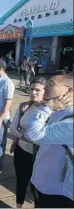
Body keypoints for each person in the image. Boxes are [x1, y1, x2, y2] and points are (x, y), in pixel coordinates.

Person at [22, 74, 74, 208]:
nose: (45, 88)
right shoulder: (59, 110)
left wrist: (47, 107)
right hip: (42, 182)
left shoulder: (71, 122)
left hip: (57, 191)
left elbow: (33, 134)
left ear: (69, 92)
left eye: (51, 84)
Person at [9, 77, 47, 208]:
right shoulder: (23, 107)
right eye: (32, 89)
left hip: (40, 156)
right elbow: (12, 128)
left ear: (45, 92)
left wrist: (26, 134)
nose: (34, 92)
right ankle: (18, 206)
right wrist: (25, 137)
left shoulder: (49, 111)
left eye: (38, 90)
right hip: (21, 151)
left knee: (37, 187)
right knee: (21, 182)